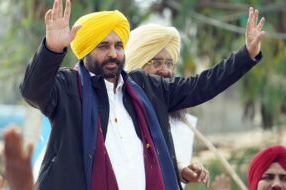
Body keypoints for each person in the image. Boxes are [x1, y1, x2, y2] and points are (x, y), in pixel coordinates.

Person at [19, 0, 265, 189]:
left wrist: (245, 55)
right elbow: (32, 90)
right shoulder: (68, 87)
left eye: (118, 45)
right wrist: (52, 50)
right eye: (103, 46)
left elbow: (203, 85)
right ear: (85, 51)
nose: (113, 54)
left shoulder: (146, 87)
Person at [125, 24, 208, 187]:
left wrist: (181, 171)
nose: (166, 70)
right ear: (136, 63)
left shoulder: (179, 122)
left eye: (170, 63)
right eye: (155, 62)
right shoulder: (117, 109)